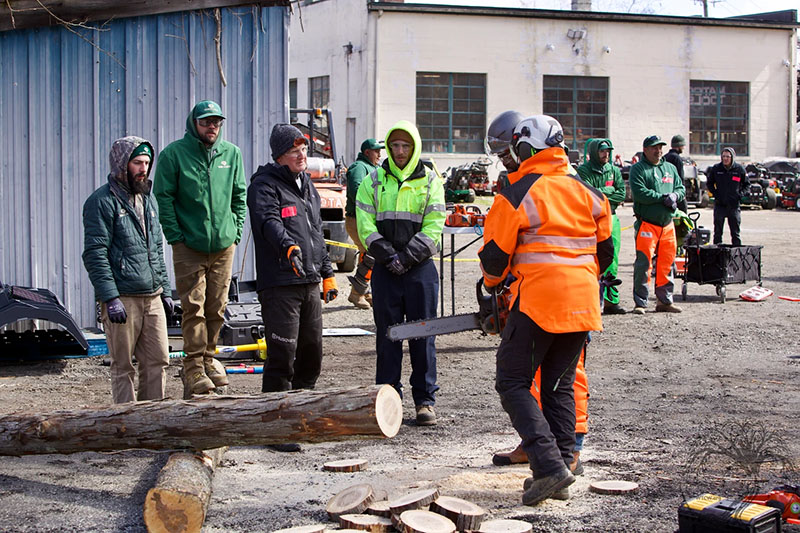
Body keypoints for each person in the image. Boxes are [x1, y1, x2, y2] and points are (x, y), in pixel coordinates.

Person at [479, 115, 614, 505]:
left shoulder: (517, 192)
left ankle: (548, 466)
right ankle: (563, 463)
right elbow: (605, 252)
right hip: (583, 304)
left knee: (512, 382)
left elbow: (493, 261)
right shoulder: (589, 192)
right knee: (557, 385)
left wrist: (495, 288)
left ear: (524, 149)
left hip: (538, 302)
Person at [153, 100, 247, 395]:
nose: (212, 127)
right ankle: (192, 365)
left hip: (223, 245)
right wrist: (175, 237)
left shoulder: (231, 154)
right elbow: (163, 197)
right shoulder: (174, 155)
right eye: (206, 122)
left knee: (217, 306)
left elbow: (239, 195)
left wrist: (235, 232)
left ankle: (209, 357)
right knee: (193, 307)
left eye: (217, 122)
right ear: (194, 123)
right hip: (189, 246)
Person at [355, 120, 446, 426]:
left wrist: (407, 257)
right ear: (388, 148)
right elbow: (364, 224)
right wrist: (387, 255)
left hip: (419, 270)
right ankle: (388, 398)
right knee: (388, 337)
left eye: (406, 145)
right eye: (395, 145)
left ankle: (424, 400)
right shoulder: (373, 180)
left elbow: (435, 225)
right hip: (385, 270)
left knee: (423, 336)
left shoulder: (431, 181)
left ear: (415, 147)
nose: (400, 151)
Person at [248, 123, 338, 404]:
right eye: (293, 151)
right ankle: (276, 421)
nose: (301, 156)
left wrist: (327, 273)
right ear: (279, 156)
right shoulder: (264, 186)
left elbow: (315, 231)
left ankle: (300, 412)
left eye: (303, 150)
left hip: (309, 281)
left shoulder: (306, 184)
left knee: (312, 354)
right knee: (282, 355)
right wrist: (288, 247)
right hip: (281, 284)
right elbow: (269, 222)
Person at [83, 136, 173, 404]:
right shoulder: (101, 202)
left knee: (158, 361)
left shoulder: (149, 200)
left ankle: (152, 422)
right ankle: (125, 425)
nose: (143, 168)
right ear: (121, 163)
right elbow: (95, 253)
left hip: (152, 296)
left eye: (147, 162)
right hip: (122, 297)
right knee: (123, 366)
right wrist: (110, 298)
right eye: (137, 162)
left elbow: (157, 249)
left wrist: (166, 290)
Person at [629, 135, 686, 314]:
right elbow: (639, 194)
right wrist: (662, 198)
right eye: (654, 147)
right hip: (647, 224)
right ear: (645, 149)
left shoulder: (669, 168)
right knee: (644, 264)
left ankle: (664, 301)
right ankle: (641, 302)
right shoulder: (638, 169)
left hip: (668, 225)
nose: (658, 150)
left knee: (667, 264)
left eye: (660, 147)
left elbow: (680, 188)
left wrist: (676, 196)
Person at [577, 138, 626, 315]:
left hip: (612, 219)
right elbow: (587, 194)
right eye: (602, 151)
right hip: (591, 220)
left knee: (612, 260)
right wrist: (608, 193)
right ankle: (592, 299)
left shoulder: (614, 170)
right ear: (594, 151)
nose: (606, 154)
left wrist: (601, 194)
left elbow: (621, 193)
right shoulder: (583, 171)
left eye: (608, 151)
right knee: (592, 260)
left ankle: (612, 301)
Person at [345, 138, 384, 309]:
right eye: (376, 151)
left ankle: (365, 292)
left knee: (369, 255)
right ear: (367, 152)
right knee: (371, 255)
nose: (379, 154)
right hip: (358, 219)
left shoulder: (374, 168)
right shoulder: (359, 167)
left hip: (367, 220)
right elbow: (356, 191)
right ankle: (356, 294)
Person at [706, 147, 748, 246]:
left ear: (732, 157)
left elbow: (747, 185)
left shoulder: (739, 169)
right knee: (717, 232)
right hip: (720, 204)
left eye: (728, 157)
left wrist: (739, 195)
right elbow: (709, 183)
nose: (725, 159)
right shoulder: (716, 168)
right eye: (723, 156)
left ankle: (736, 254)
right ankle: (716, 255)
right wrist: (716, 194)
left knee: (735, 233)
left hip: (733, 205)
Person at [663, 135, 687, 212]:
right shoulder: (677, 158)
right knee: (682, 217)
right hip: (676, 193)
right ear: (678, 146)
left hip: (666, 191)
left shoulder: (665, 157)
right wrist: (682, 193)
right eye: (682, 145)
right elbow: (680, 177)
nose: (683, 148)